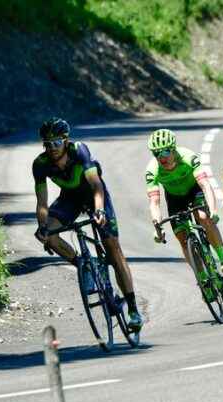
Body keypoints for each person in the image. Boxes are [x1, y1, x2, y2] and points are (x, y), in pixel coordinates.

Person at [32, 118, 143, 331]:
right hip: (69, 199)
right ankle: (86, 267)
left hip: (94, 196)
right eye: (47, 144)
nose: (52, 149)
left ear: (66, 141)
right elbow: (42, 202)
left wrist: (99, 209)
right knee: (52, 236)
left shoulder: (79, 150)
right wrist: (43, 227)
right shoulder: (40, 164)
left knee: (113, 249)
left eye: (56, 143)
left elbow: (96, 184)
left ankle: (133, 309)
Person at [145, 129, 223, 282]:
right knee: (181, 235)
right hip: (174, 198)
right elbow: (154, 202)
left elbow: (205, 185)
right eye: (157, 153)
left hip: (194, 191)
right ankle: (201, 277)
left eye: (166, 151)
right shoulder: (152, 170)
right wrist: (157, 226)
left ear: (173, 149)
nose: (162, 157)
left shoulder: (188, 157)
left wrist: (213, 210)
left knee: (203, 217)